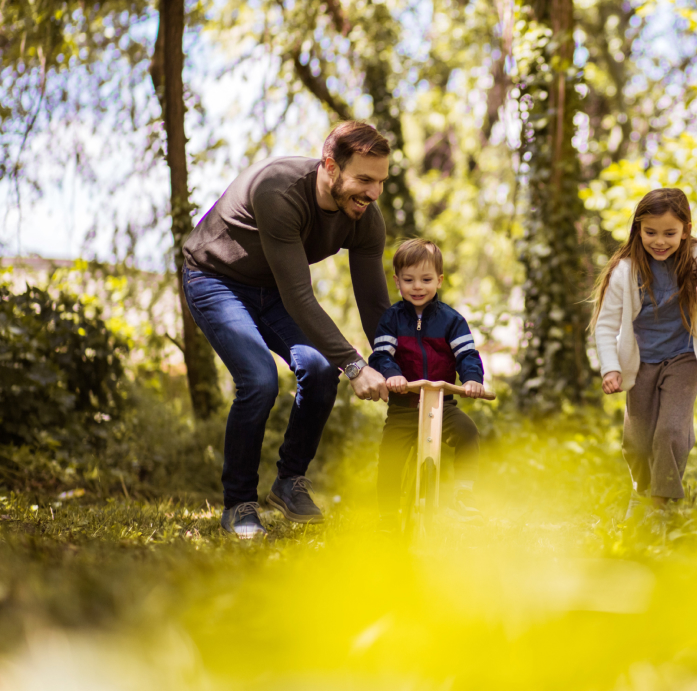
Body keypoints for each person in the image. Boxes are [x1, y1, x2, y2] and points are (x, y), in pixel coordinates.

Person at [182, 122, 393, 540]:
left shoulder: (365, 217)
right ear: (330, 167)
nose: (374, 193)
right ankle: (239, 504)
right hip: (216, 279)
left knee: (318, 369)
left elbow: (374, 304)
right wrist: (355, 365)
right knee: (259, 379)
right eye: (364, 180)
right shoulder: (279, 191)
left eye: (381, 182)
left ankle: (289, 481)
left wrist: (394, 365)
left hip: (272, 289)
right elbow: (300, 296)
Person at [592, 188, 697, 520]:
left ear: (685, 229)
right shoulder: (626, 270)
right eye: (650, 232)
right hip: (641, 362)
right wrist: (610, 368)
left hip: (685, 357)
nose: (659, 241)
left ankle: (658, 508)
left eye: (670, 233)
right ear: (638, 230)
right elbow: (605, 324)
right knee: (639, 442)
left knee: (669, 431)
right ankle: (642, 492)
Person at [370, 238, 486, 525]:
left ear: (439, 280)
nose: (417, 286)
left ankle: (463, 494)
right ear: (397, 281)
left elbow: (467, 354)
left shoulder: (451, 320)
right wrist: (392, 375)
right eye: (409, 280)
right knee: (390, 456)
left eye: (426, 279)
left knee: (468, 432)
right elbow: (382, 355)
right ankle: (386, 514)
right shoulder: (391, 319)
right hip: (404, 406)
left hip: (440, 404)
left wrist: (472, 380)